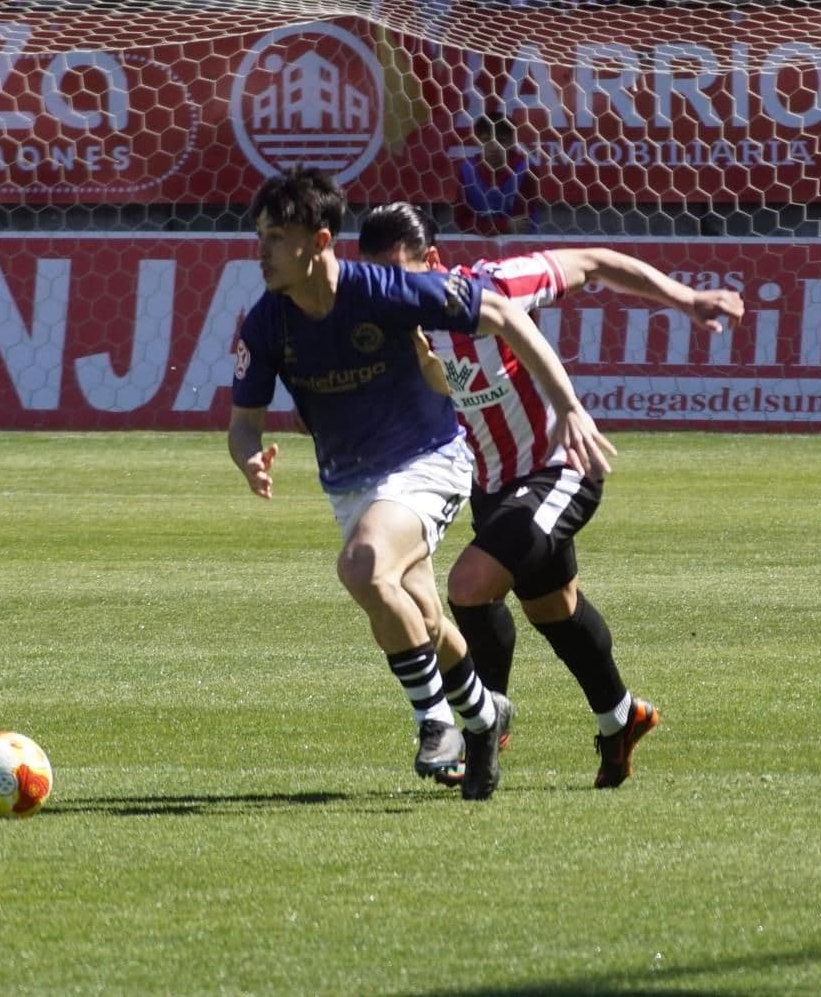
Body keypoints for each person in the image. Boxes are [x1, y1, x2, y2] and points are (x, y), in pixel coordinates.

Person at [228, 167, 615, 800]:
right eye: (259, 235)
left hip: (429, 463)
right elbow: (242, 425)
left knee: (363, 567)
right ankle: (486, 716)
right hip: (352, 485)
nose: (261, 251)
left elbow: (501, 312)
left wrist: (568, 406)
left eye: (276, 236)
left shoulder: (383, 291)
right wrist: (248, 457)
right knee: (424, 616)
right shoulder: (267, 324)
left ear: (320, 241)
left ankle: (436, 721)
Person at [358, 202, 744, 788]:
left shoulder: (492, 287)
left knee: (468, 585)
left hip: (559, 470)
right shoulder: (386, 329)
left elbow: (593, 261)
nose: (388, 293)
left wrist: (686, 300)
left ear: (432, 262)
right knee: (553, 608)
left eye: (397, 275)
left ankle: (483, 726)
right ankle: (622, 717)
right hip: (491, 486)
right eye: (376, 279)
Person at [453, 112, 538, 238]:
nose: (494, 147)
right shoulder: (467, 170)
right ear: (478, 141)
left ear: (512, 142)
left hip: (519, 244)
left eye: (501, 140)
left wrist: (487, 226)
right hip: (478, 243)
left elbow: (522, 224)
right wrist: (504, 226)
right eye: (487, 139)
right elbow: (463, 221)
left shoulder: (526, 169)